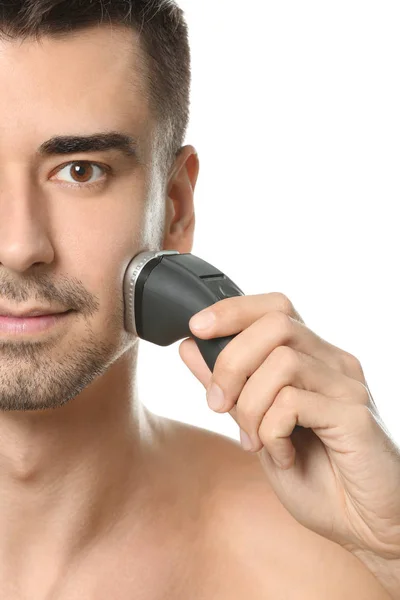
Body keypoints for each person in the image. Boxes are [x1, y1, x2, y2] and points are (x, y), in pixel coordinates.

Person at [0, 1, 399, 598]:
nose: (19, 244)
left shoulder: (330, 566)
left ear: (175, 210)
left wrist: (389, 549)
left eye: (80, 170)